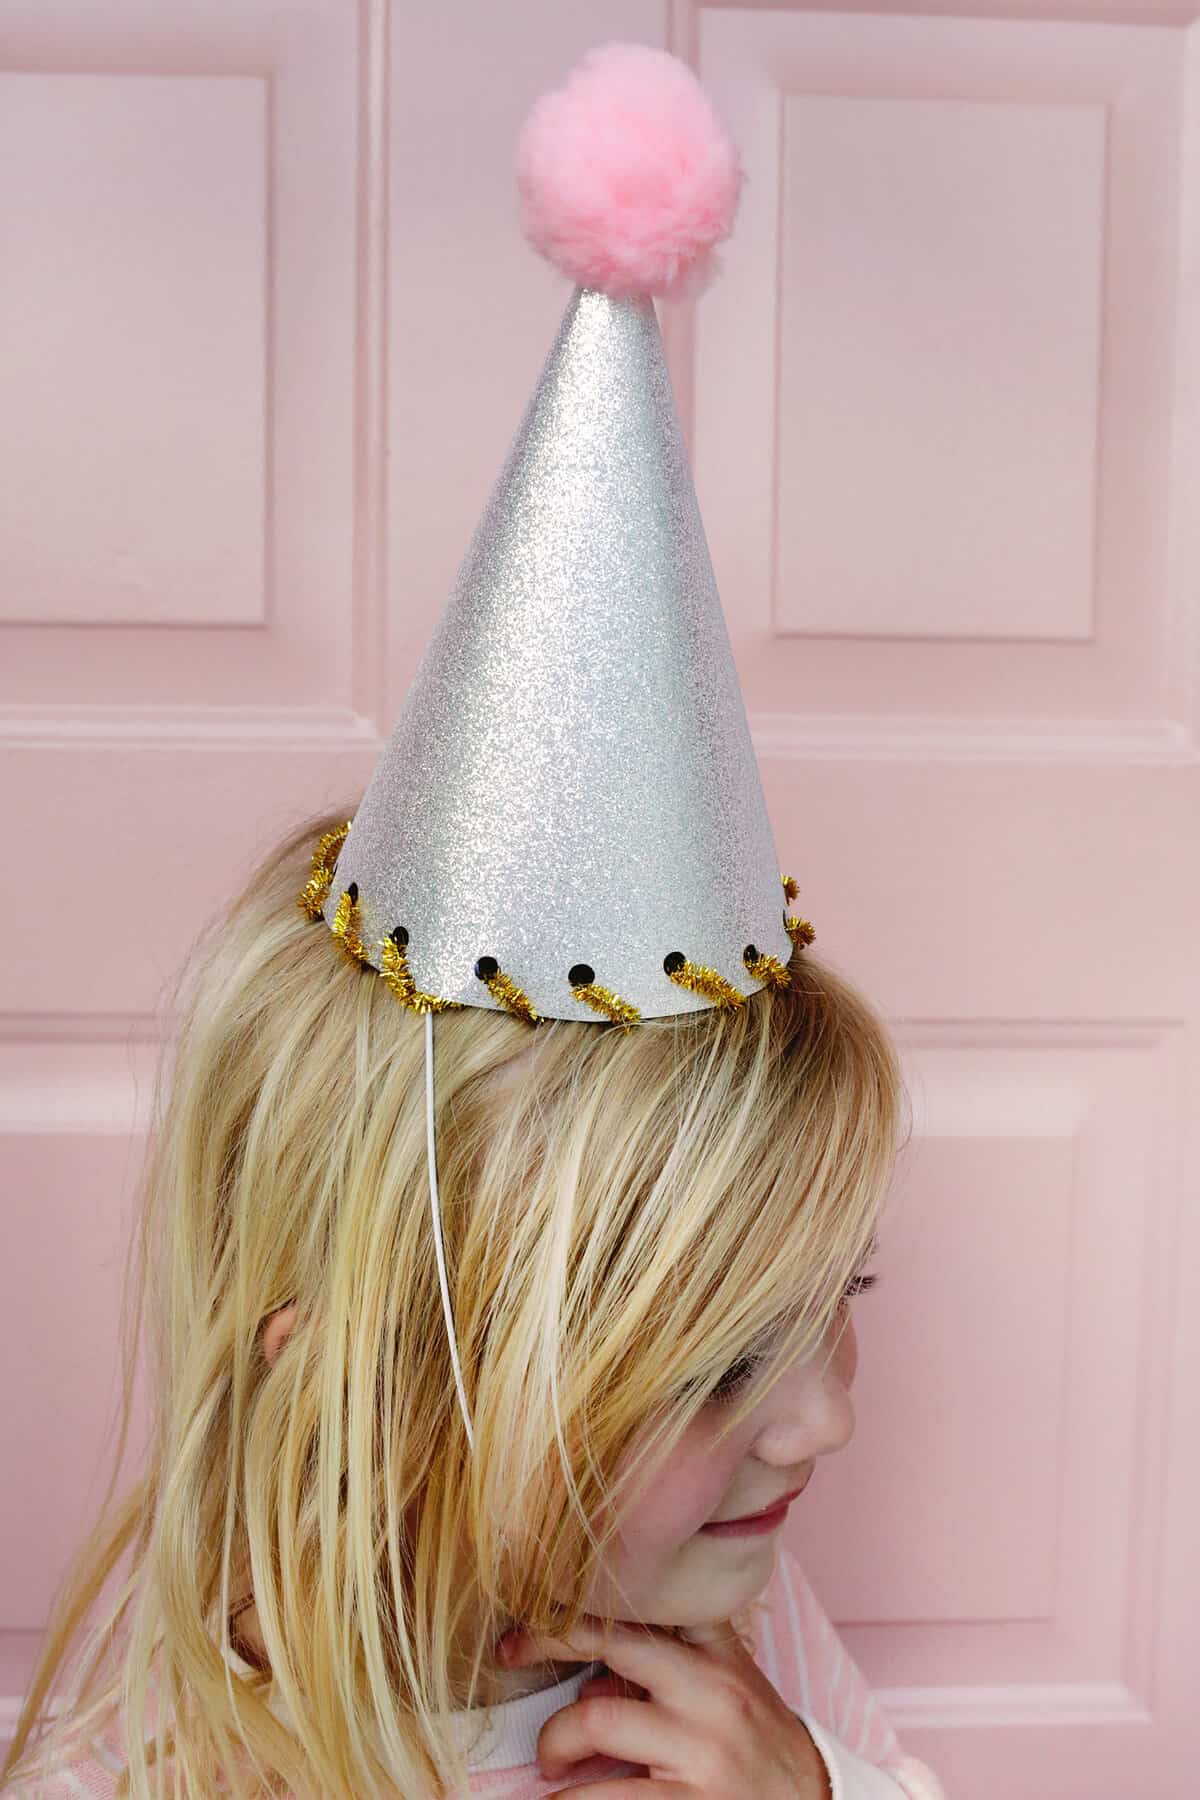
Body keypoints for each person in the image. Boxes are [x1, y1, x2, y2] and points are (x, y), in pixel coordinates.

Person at [2, 43, 945, 1800]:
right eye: (724, 1359)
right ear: (373, 1378)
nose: (822, 1417)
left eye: (833, 1303)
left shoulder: (737, 1618)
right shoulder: (157, 1768)